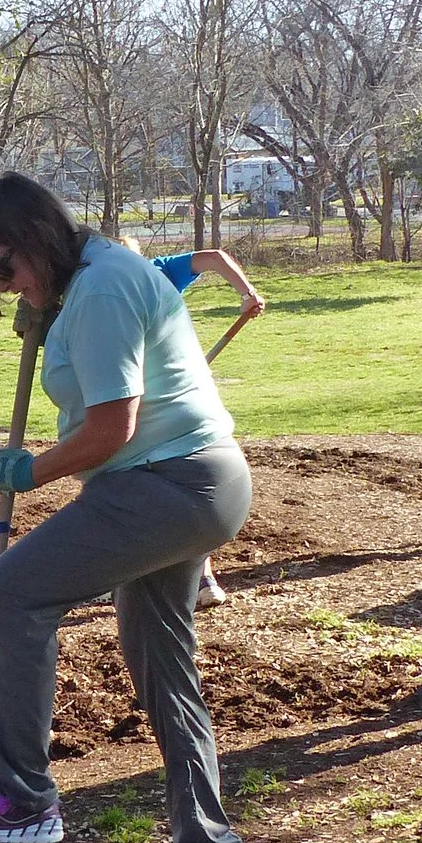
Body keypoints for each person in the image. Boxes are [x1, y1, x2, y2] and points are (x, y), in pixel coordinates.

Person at [0, 173, 256, 843]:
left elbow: (114, 428)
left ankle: (25, 798)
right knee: (162, 663)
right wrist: (47, 315)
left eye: (4, 269)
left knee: (14, 589)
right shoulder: (89, 282)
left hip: (168, 481)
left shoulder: (104, 286)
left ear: (38, 239)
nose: (3, 285)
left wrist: (33, 470)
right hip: (185, 484)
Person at [127, 238, 264, 605]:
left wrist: (247, 293)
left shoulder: (158, 273)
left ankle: (200, 577)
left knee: (180, 479)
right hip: (128, 398)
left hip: (170, 397)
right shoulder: (104, 288)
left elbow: (215, 258)